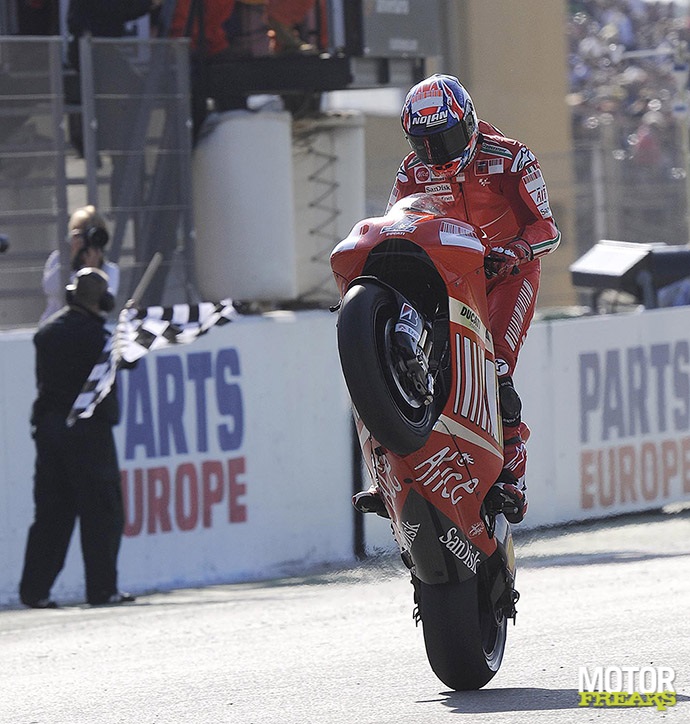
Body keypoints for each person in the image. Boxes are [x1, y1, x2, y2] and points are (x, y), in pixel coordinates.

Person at [353, 74, 561, 524]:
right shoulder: (412, 170)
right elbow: (396, 224)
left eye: (445, 138)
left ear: (467, 123)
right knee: (388, 352)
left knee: (495, 367)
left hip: (508, 275)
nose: (437, 154)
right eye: (425, 143)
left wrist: (517, 251)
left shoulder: (510, 157)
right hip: (448, 276)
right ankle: (390, 469)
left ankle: (511, 475)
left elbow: (547, 227)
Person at [19, 267, 134, 608]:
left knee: (52, 515)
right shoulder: (99, 340)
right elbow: (125, 362)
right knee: (102, 513)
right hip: (89, 434)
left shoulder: (47, 334)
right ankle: (102, 590)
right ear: (104, 300)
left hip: (51, 433)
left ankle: (34, 591)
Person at [40, 205, 119, 325]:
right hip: (55, 326)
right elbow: (50, 289)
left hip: (89, 329)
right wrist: (72, 261)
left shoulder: (110, 270)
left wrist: (92, 271)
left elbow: (104, 303)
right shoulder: (58, 259)